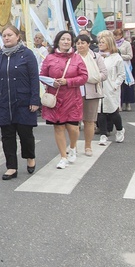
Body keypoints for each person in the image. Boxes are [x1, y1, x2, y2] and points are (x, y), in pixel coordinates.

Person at [0, 25, 41, 179]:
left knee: (25, 134)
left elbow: (34, 78)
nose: (6, 38)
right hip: (4, 101)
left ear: (17, 37)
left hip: (23, 101)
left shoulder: (27, 54)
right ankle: (11, 167)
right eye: (4, 35)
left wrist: (35, 100)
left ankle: (30, 157)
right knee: (7, 135)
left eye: (9, 35)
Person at [40, 31, 88, 169]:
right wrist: (51, 82)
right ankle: (63, 156)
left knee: (73, 127)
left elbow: (84, 77)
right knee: (58, 127)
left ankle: (72, 147)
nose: (66, 42)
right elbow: (42, 75)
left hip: (72, 98)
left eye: (68, 39)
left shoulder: (77, 58)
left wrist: (68, 81)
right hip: (55, 98)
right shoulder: (49, 58)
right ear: (58, 41)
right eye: (63, 39)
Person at [75, 34, 108, 156]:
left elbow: (104, 74)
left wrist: (90, 78)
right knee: (74, 121)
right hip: (75, 93)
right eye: (78, 43)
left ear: (88, 44)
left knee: (89, 121)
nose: (80, 45)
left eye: (83, 43)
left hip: (92, 93)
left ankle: (88, 146)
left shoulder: (96, 57)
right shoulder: (72, 57)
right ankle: (73, 145)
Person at [96, 31, 126, 145]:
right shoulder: (98, 56)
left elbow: (121, 74)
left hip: (111, 88)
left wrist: (115, 85)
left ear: (109, 43)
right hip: (99, 88)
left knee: (113, 112)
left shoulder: (116, 58)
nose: (100, 44)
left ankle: (119, 130)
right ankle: (103, 134)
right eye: (99, 42)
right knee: (100, 111)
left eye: (103, 42)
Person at [113, 29, 135, 111]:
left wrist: (119, 56)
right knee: (118, 85)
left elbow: (130, 56)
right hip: (115, 66)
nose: (115, 37)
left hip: (125, 66)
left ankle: (128, 103)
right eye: (114, 35)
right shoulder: (112, 44)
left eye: (117, 35)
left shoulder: (127, 44)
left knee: (127, 85)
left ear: (121, 35)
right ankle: (119, 104)